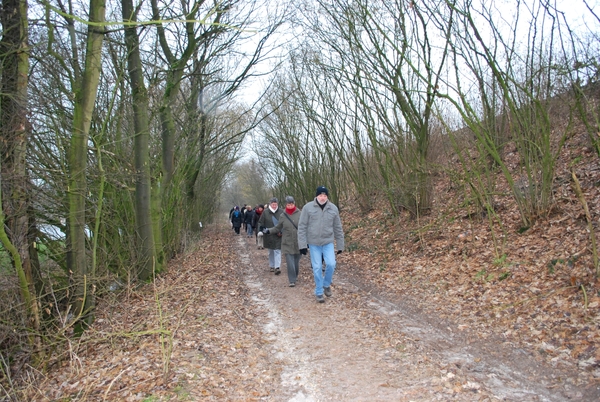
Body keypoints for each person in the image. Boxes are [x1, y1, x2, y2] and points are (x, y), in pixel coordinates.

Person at [298, 186, 344, 303]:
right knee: (317, 267)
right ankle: (319, 291)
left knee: (331, 264)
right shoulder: (307, 208)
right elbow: (302, 227)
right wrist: (302, 245)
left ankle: (326, 284)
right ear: (316, 196)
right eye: (320, 195)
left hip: (328, 241)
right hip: (313, 243)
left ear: (327, 196)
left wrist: (340, 245)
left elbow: (338, 228)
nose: (322, 198)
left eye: (325, 195)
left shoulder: (333, 208)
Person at [262, 196, 301, 286]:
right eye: (288, 204)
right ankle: (292, 280)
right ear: (286, 205)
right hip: (286, 242)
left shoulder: (300, 214)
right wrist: (269, 230)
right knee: (290, 261)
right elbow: (278, 227)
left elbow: (305, 227)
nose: (290, 206)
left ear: (294, 204)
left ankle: (295, 275)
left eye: (291, 204)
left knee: (296, 261)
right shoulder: (283, 215)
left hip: (298, 241)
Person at [258, 197, 283, 274]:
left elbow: (284, 223)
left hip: (278, 235)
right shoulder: (265, 212)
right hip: (268, 235)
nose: (274, 206)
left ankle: (277, 267)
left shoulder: (281, 211)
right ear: (270, 204)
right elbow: (260, 222)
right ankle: (272, 265)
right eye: (273, 204)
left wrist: (282, 231)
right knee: (271, 251)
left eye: (275, 204)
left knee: (277, 251)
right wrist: (260, 230)